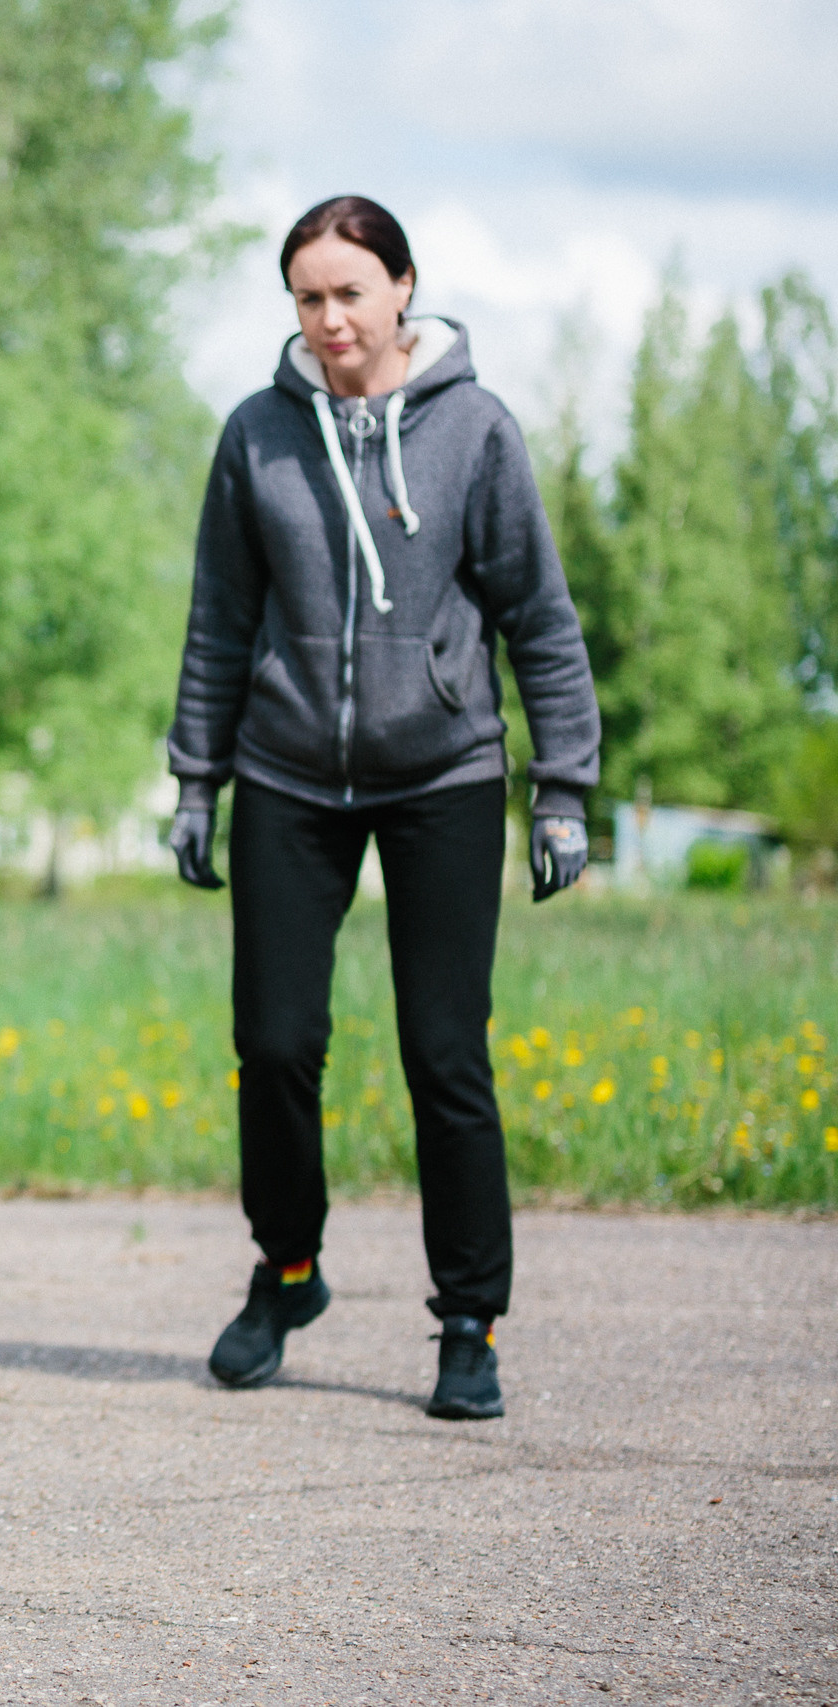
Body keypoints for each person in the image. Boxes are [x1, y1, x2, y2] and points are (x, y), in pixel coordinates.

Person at [163, 195, 599, 1421]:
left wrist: (561, 791)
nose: (330, 317)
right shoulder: (258, 434)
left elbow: (539, 620)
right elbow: (218, 624)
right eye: (307, 297)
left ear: (404, 286)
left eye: (351, 290)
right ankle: (286, 1270)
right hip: (289, 771)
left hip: (444, 773)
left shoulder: (477, 432)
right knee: (277, 1043)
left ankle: (470, 1321)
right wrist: (196, 780)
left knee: (444, 1054)